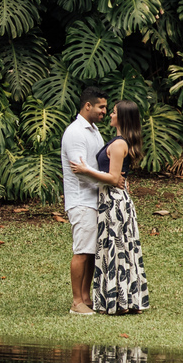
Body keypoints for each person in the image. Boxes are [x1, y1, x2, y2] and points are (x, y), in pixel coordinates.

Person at [69, 100, 150, 315]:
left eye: (113, 112)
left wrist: (85, 170)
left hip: (112, 200)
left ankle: (119, 301)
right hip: (111, 199)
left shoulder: (117, 144)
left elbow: (114, 178)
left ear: (121, 118)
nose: (109, 114)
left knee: (115, 249)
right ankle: (123, 300)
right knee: (118, 249)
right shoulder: (118, 142)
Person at [60, 87, 108, 315]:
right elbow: (78, 169)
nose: (104, 112)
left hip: (94, 198)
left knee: (90, 251)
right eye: (101, 107)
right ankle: (76, 301)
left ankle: (87, 297)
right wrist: (107, 181)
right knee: (81, 251)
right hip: (81, 199)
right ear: (87, 105)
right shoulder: (75, 132)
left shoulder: (93, 130)